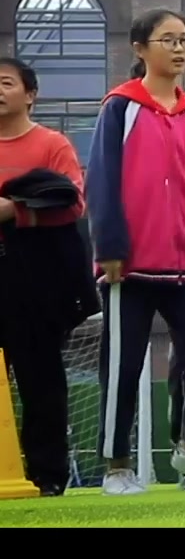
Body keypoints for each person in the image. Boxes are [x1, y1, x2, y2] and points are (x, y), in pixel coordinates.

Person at [86, 9, 185, 496]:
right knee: (123, 363)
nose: (179, 48)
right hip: (130, 263)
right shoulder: (120, 109)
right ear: (140, 48)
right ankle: (117, 464)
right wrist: (108, 246)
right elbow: (101, 180)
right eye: (167, 39)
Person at [0, 56, 94, 497]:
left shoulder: (52, 144)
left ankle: (47, 474)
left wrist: (13, 212)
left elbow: (73, 205)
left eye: (6, 83)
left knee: (40, 378)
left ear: (30, 94)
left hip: (34, 275)